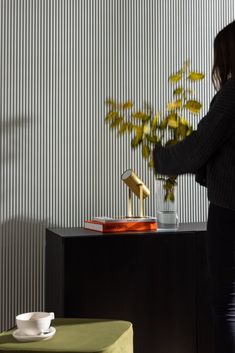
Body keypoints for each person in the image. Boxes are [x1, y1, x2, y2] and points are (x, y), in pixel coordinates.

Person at [153, 21, 235, 353]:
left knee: (227, 307)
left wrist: (159, 158)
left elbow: (201, 146)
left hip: (230, 212)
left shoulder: (232, 94)